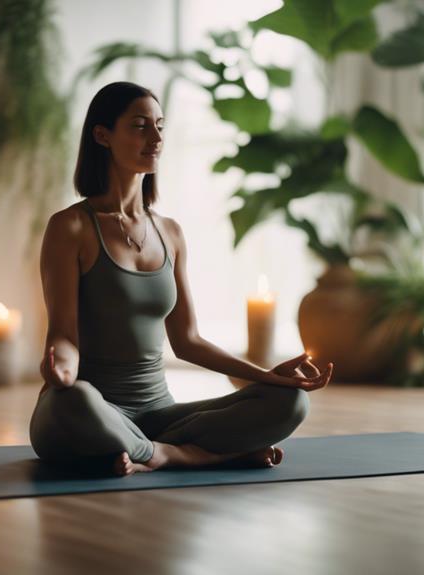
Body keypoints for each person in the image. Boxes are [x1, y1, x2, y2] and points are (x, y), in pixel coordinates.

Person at [29, 81, 334, 477]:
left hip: (160, 416)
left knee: (290, 402)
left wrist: (267, 375)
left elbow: (187, 341)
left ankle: (159, 452)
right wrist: (62, 372)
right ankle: (193, 455)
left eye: (160, 125)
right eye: (140, 126)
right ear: (102, 135)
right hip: (93, 411)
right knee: (71, 401)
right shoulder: (70, 227)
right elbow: (64, 336)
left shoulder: (169, 232)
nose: (156, 137)